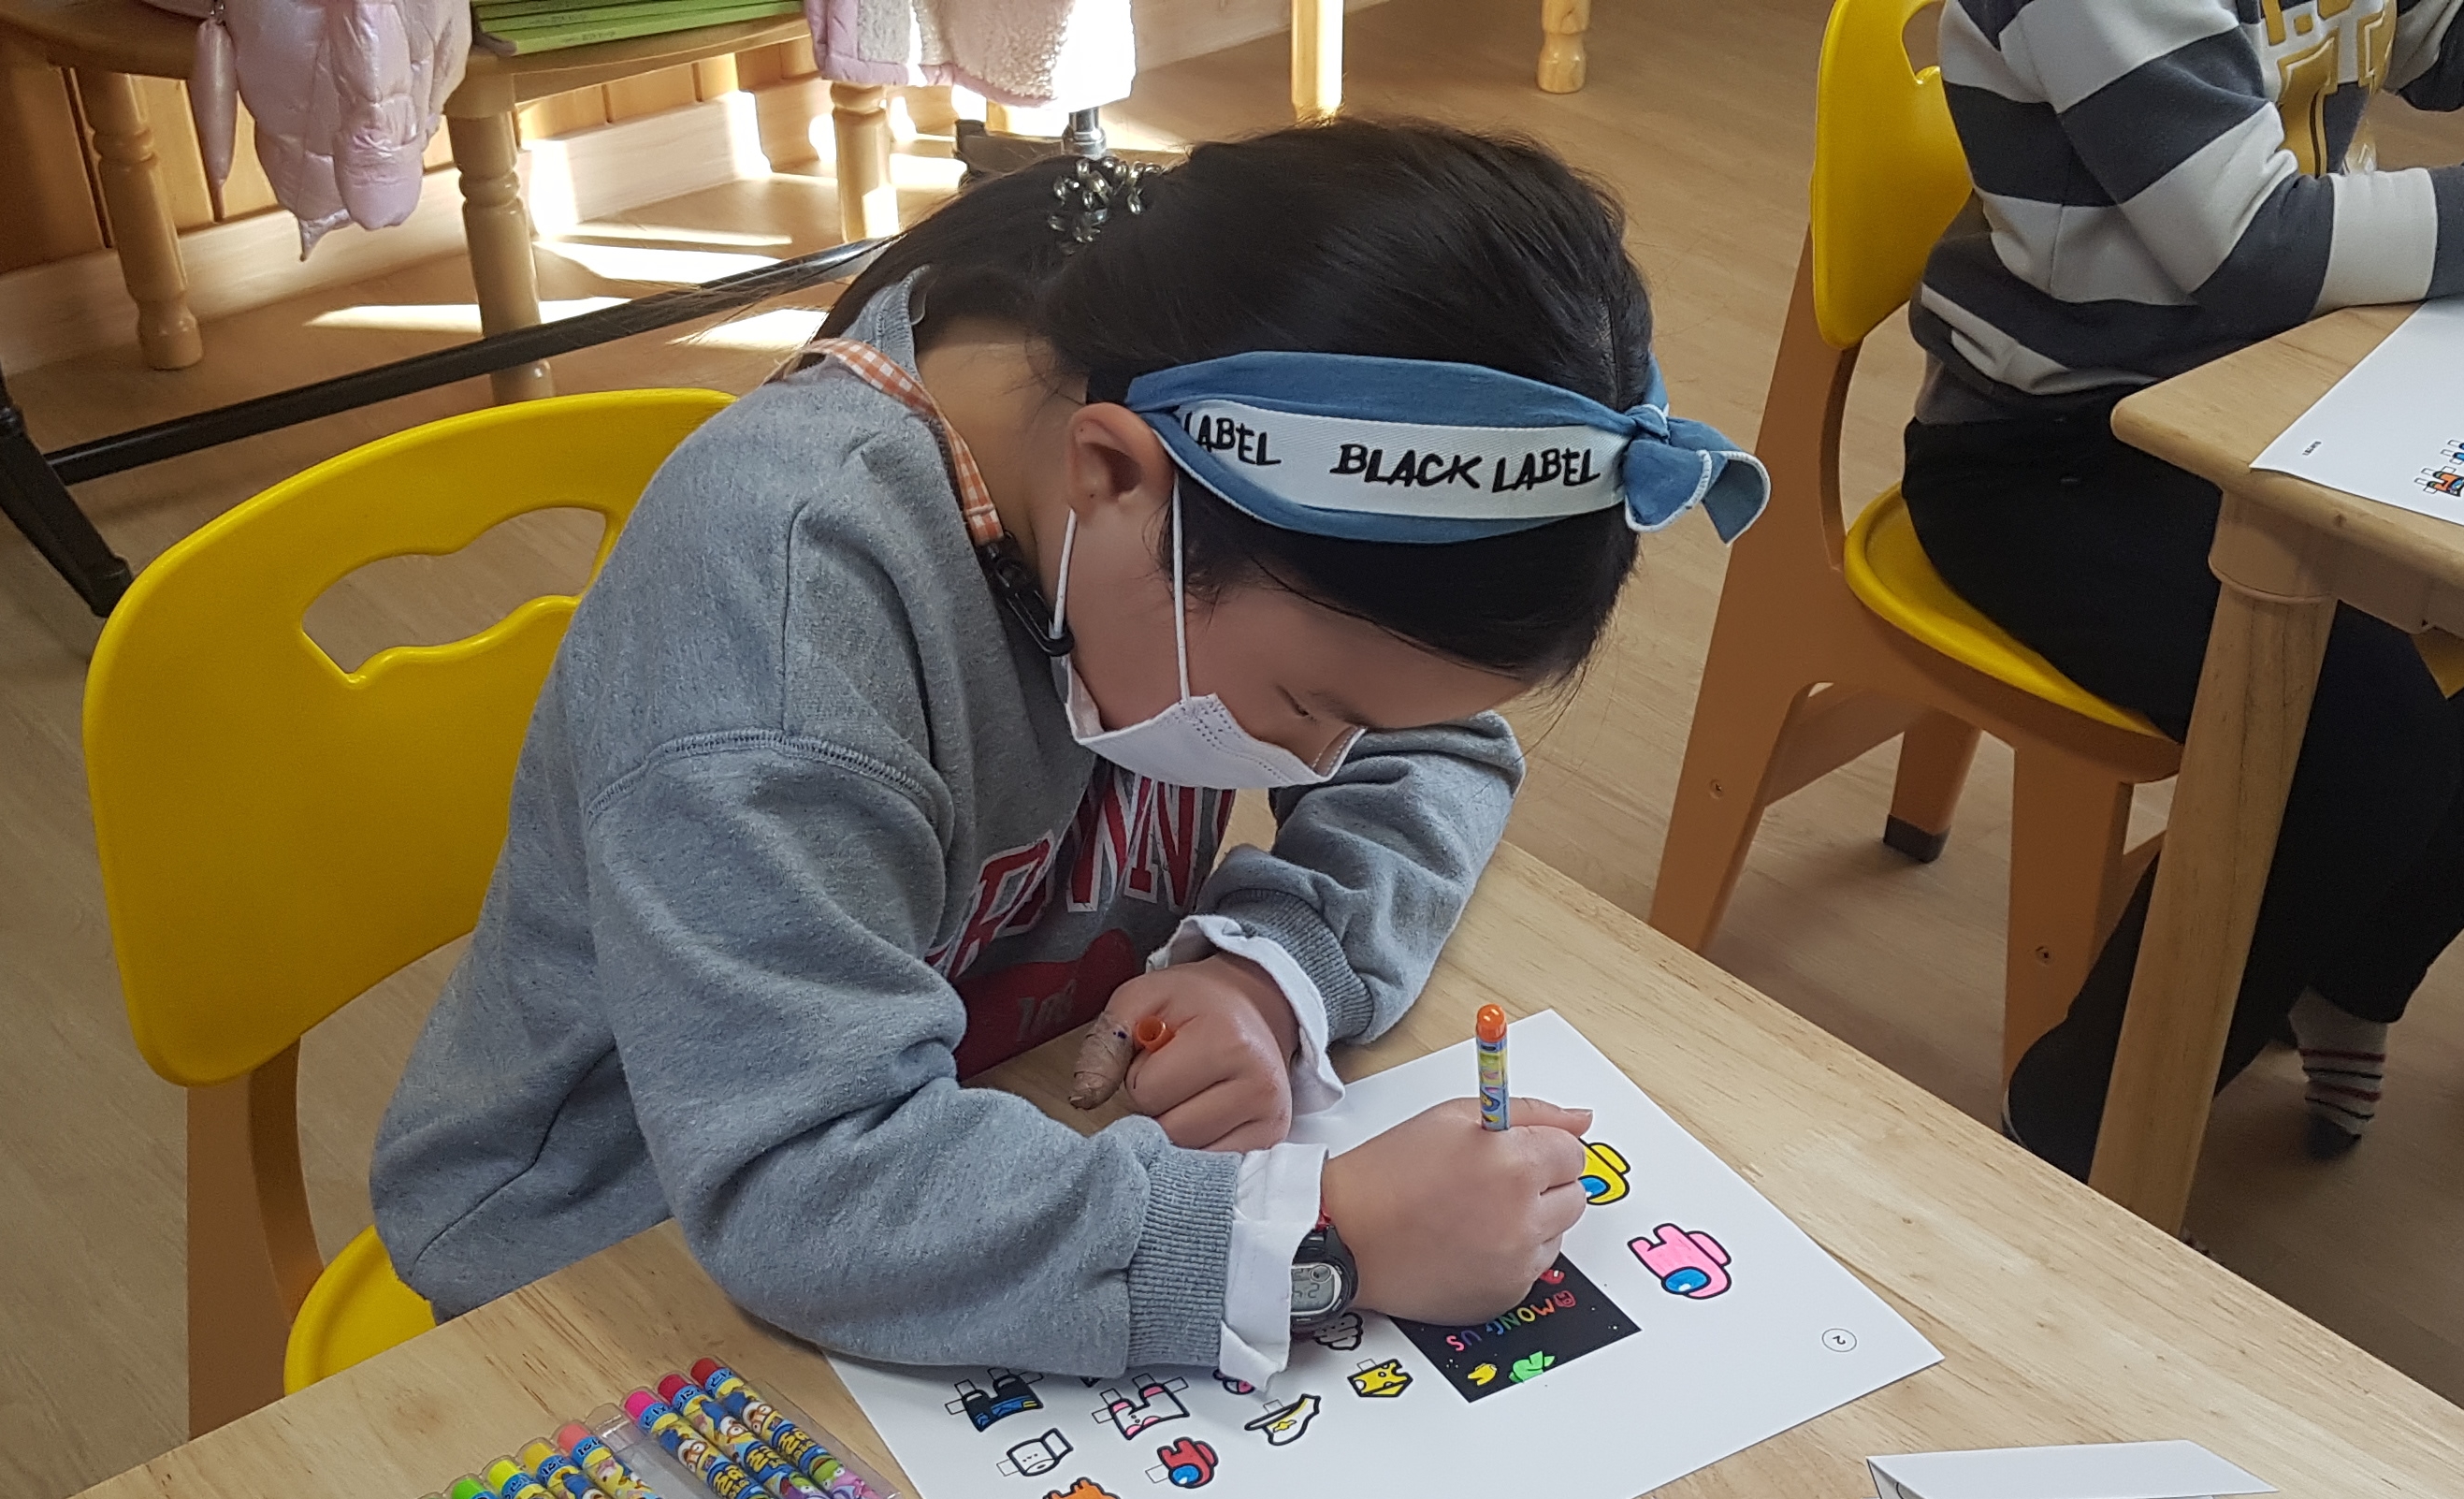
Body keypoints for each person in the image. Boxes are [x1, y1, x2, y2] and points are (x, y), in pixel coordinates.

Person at [369, 124, 1766, 1381]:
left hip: (997, 1139)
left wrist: (1268, 971)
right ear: (1114, 476)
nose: (1324, 756)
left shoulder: (1147, 459)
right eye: (1308, 701)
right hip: (623, 1265)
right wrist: (1316, 1234)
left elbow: (1441, 740)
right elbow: (803, 1179)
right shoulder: (784, 605)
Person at [1906, 2, 2464, 1171]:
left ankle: (2346, 965)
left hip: (2278, 388)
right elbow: (2255, 247)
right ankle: (2073, 1127)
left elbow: (2450, 42)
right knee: (2357, 744)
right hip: (2053, 459)